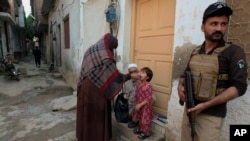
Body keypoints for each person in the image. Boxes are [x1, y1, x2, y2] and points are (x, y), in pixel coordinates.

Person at [177, 2, 248, 141]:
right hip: (189, 112)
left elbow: (240, 87)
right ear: (203, 27)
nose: (219, 28)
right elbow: (185, 75)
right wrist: (180, 86)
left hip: (211, 117)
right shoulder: (195, 51)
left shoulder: (234, 52)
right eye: (214, 24)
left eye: (223, 24)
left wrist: (206, 105)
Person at [76, 33, 129, 141]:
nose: (112, 50)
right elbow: (113, 77)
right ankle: (98, 137)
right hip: (97, 89)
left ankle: (85, 136)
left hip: (85, 85)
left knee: (87, 112)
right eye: (113, 47)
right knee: (98, 113)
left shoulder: (91, 49)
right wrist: (128, 76)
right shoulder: (107, 55)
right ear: (110, 45)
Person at [132, 67, 154, 139]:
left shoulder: (148, 86)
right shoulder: (139, 83)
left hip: (145, 106)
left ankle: (146, 133)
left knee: (144, 120)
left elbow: (148, 98)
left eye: (143, 73)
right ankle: (141, 130)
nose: (140, 73)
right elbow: (135, 77)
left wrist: (140, 105)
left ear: (147, 77)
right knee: (139, 118)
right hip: (139, 104)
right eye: (141, 72)